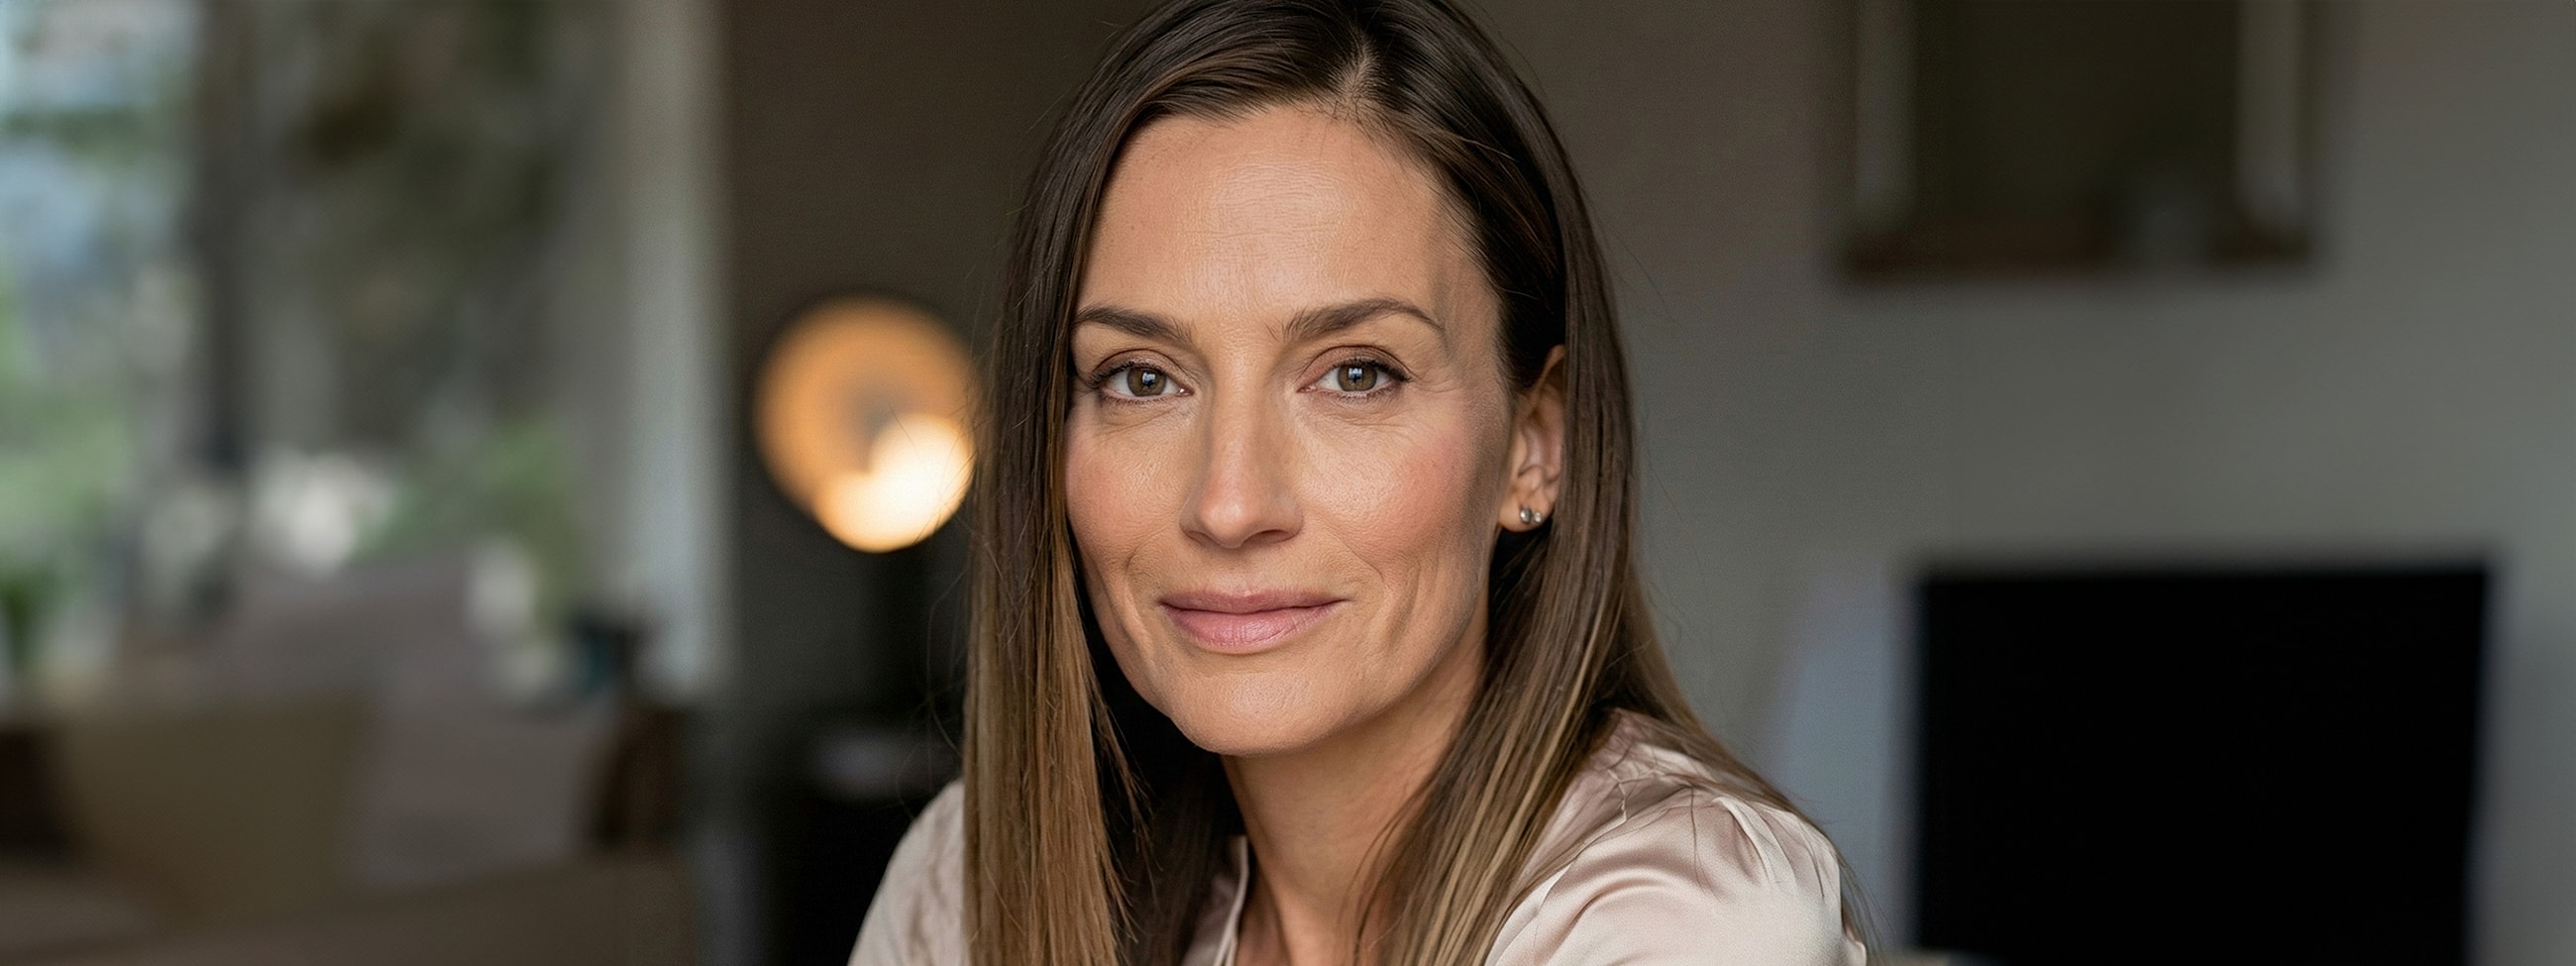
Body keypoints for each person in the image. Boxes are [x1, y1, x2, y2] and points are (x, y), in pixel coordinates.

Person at [852, 0, 1866, 963]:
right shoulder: (974, 879)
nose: (1229, 503)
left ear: (1533, 443)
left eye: (1354, 374)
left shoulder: (1681, 909)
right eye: (1142, 378)